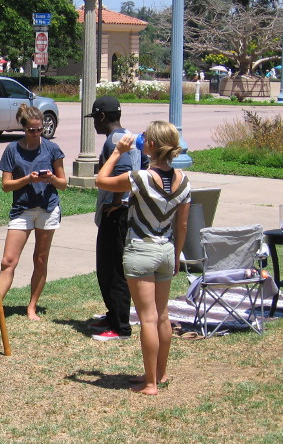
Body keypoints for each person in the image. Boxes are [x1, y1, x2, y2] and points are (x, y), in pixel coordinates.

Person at [95, 121, 191, 396]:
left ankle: (150, 384)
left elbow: (101, 181)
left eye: (145, 138)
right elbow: (182, 226)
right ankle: (159, 373)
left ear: (151, 145)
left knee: (147, 319)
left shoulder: (141, 177)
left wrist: (116, 152)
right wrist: (176, 254)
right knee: (162, 316)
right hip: (166, 250)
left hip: (141, 250)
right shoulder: (183, 179)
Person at [0, 104, 67, 324]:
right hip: (22, 210)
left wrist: (51, 179)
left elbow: (63, 183)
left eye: (40, 130)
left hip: (48, 208)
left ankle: (32, 307)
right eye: (32, 130)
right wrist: (28, 179)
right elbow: (6, 186)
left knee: (40, 258)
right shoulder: (12, 150)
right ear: (23, 128)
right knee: (8, 260)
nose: (36, 134)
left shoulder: (52, 149)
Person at [86, 96, 148, 341]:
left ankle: (121, 326)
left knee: (112, 270)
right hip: (126, 211)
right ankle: (113, 315)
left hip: (117, 214)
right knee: (109, 267)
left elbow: (123, 173)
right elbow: (142, 165)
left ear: (102, 116)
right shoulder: (130, 136)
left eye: (94, 119)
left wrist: (115, 203)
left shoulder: (114, 140)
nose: (94, 125)